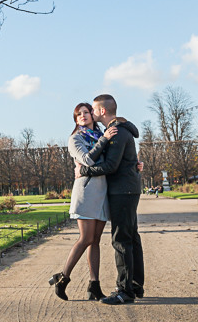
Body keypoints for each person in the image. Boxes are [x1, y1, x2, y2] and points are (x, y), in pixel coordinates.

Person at [76, 94, 144, 305]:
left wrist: (83, 171)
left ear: (102, 111)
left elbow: (111, 166)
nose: (91, 112)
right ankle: (135, 285)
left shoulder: (115, 132)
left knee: (121, 239)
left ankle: (124, 291)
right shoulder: (120, 130)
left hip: (122, 191)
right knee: (131, 237)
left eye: (93, 109)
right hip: (129, 188)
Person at [48, 103, 116, 301]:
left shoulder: (102, 135)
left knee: (96, 240)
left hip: (103, 194)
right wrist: (104, 140)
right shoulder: (75, 139)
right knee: (86, 238)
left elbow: (112, 162)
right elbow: (88, 160)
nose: (83, 116)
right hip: (86, 193)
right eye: (79, 114)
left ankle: (94, 285)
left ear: (93, 115)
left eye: (86, 112)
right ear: (76, 120)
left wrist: (135, 165)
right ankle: (63, 278)